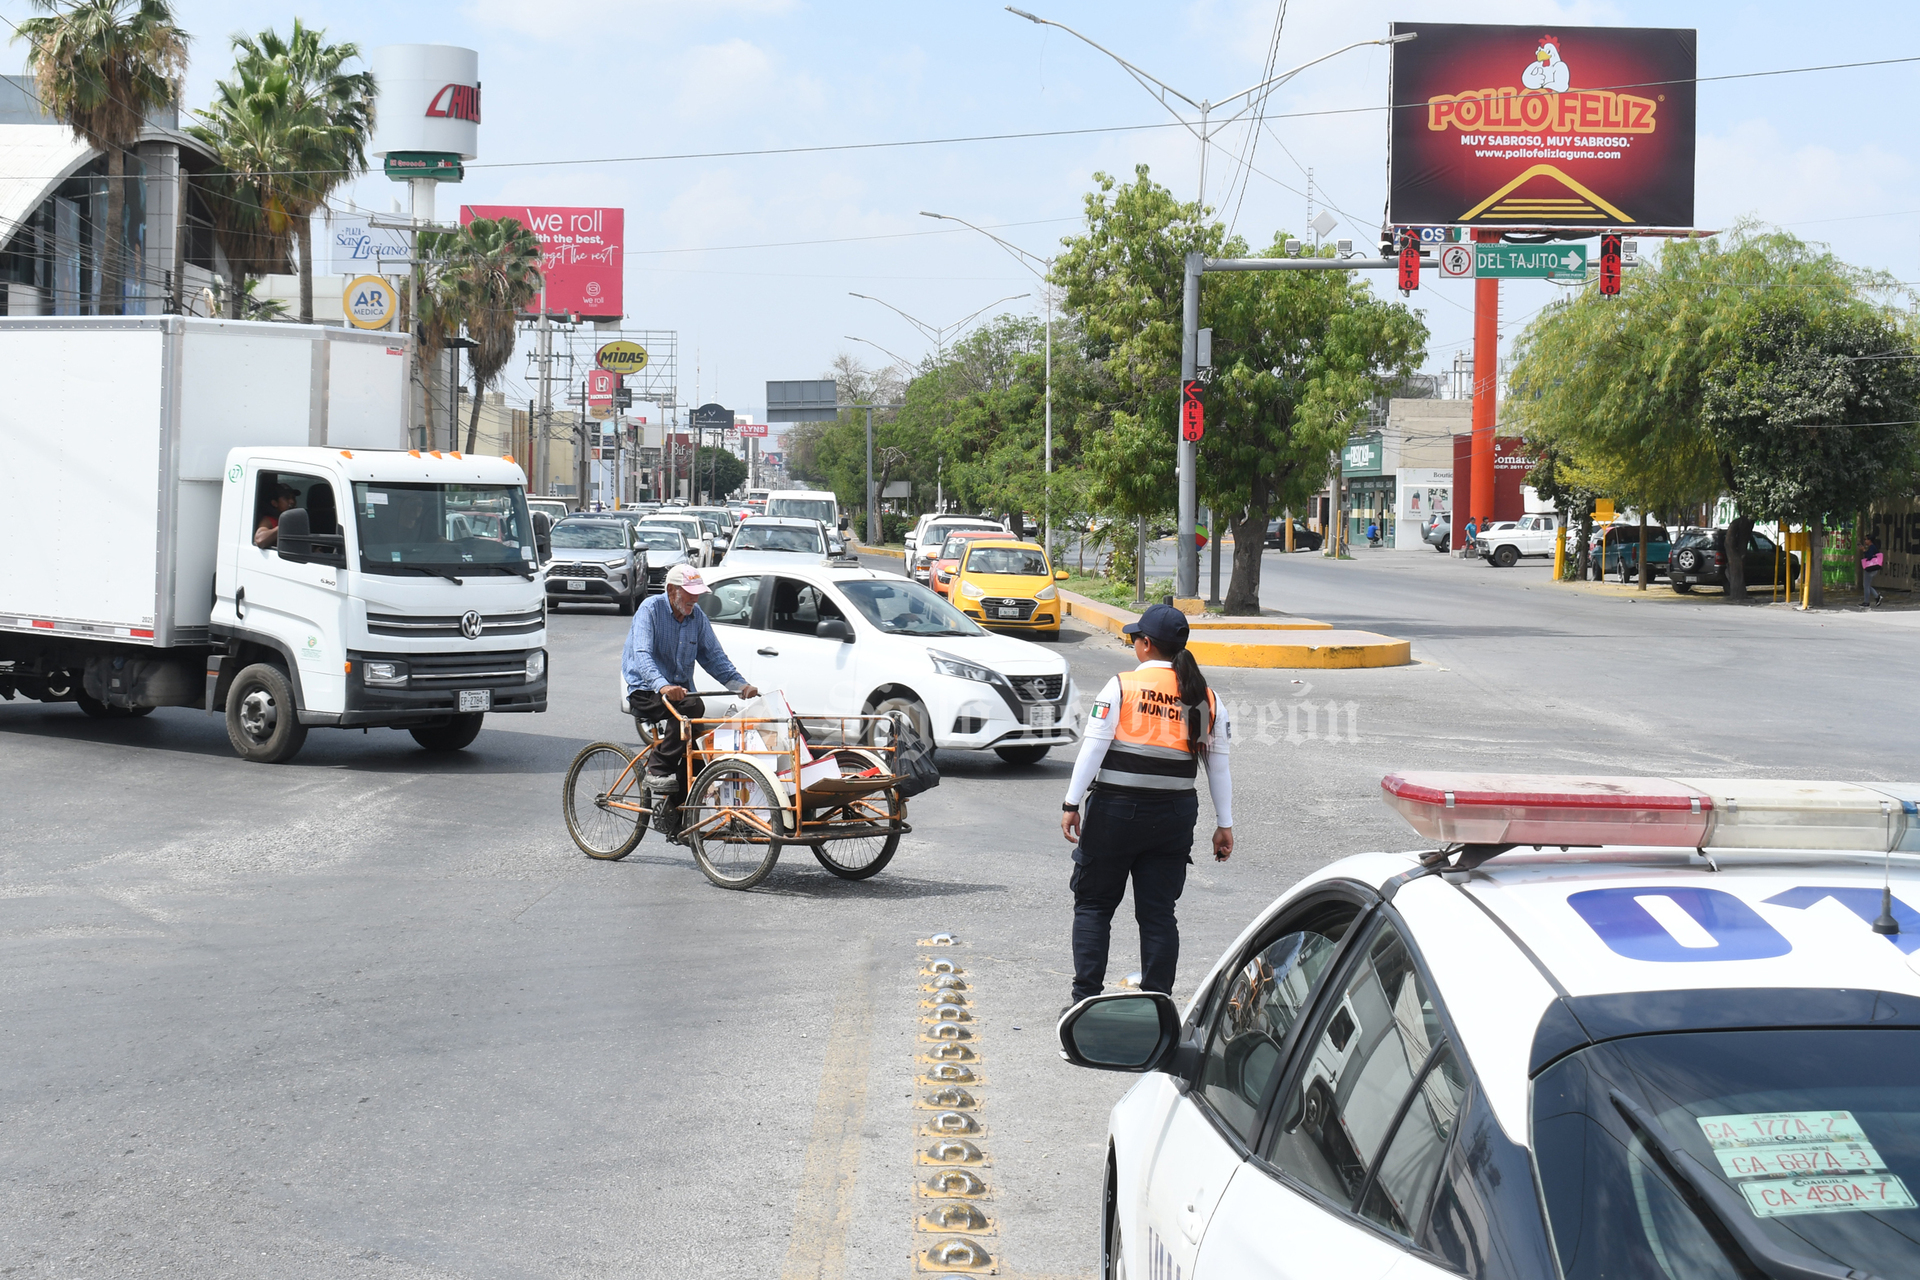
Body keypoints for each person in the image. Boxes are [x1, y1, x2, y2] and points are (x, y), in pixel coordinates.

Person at [1059, 603, 1232, 1009]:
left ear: (1146, 644)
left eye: (1136, 637)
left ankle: (1084, 1002)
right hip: (1174, 816)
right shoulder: (1204, 697)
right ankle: (1156, 1004)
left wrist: (1071, 802)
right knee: (1158, 913)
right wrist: (1224, 824)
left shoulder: (1122, 686)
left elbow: (1094, 748)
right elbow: (1218, 766)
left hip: (1115, 813)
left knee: (1094, 905)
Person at [621, 564, 760, 780]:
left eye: (697, 594)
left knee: (697, 745)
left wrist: (740, 685)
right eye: (690, 593)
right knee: (692, 707)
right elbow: (642, 654)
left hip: (680, 695)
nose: (695, 599)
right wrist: (663, 685)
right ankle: (657, 769)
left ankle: (682, 799)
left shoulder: (697, 617)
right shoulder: (650, 609)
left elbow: (715, 657)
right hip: (646, 690)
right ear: (671, 590)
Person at [254, 483, 298, 548]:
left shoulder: (297, 519)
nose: (292, 501)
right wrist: (282, 527)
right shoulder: (268, 520)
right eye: (287, 498)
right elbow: (260, 540)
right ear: (275, 503)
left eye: (293, 498)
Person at [1862, 533, 1885, 608]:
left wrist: (1864, 550)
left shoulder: (1872, 547)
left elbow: (1869, 557)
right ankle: (1877, 597)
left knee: (1866, 585)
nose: (1865, 541)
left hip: (1870, 568)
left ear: (1870, 540)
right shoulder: (1873, 547)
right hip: (1873, 568)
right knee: (1867, 585)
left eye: (1866, 539)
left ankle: (1866, 602)